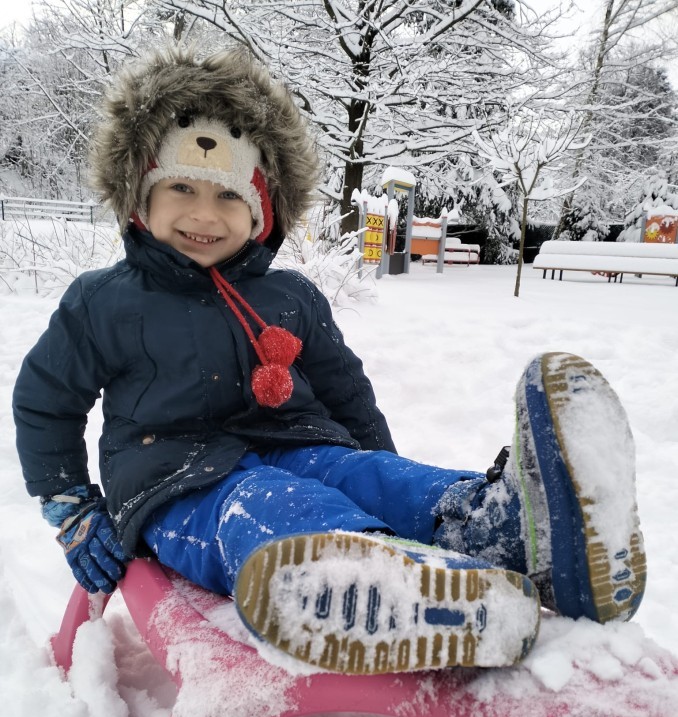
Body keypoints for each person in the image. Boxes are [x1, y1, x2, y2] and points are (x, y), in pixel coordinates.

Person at [13, 47, 646, 677]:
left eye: (228, 196)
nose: (204, 214)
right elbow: (46, 402)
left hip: (302, 447)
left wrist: (380, 469)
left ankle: (513, 533)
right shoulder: (106, 300)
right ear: (139, 196)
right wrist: (71, 506)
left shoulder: (290, 296)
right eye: (181, 187)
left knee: (375, 481)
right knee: (265, 504)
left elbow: (346, 392)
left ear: (260, 212)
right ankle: (360, 578)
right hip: (177, 484)